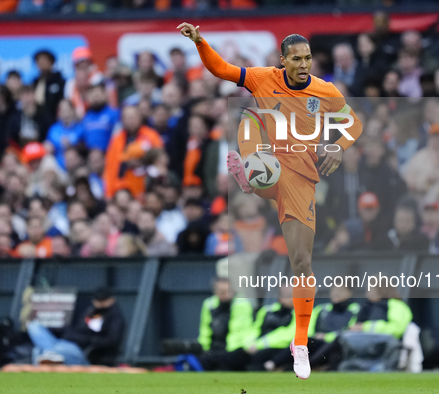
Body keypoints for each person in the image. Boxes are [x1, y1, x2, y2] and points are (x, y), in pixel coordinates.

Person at [178, 22, 363, 380]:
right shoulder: (263, 78)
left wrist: (338, 146)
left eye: (308, 58)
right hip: (268, 158)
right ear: (283, 60)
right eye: (297, 59)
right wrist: (201, 42)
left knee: (301, 263)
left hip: (299, 179)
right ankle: (251, 175)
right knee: (250, 116)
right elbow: (222, 69)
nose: (305, 64)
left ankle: (300, 343)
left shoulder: (324, 91)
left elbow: (352, 123)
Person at [27, 288, 125, 366]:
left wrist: (86, 340)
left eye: (102, 300)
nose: (98, 302)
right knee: (34, 326)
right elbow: (75, 329)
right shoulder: (90, 311)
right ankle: (50, 353)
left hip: (81, 350)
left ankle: (50, 353)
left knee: (44, 350)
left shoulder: (115, 317)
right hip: (64, 343)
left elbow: (111, 341)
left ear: (111, 300)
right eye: (97, 299)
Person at [197, 277, 254, 371]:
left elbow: (242, 330)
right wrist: (204, 348)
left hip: (236, 348)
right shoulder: (209, 304)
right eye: (222, 292)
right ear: (215, 292)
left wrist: (247, 345)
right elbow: (205, 330)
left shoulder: (241, 304)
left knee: (224, 360)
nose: (226, 295)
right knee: (204, 359)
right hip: (215, 348)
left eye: (228, 291)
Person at [244, 285, 296, 371]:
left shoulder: (301, 314)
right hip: (257, 347)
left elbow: (289, 335)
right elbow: (254, 330)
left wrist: (259, 344)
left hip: (282, 349)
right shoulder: (266, 311)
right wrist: (249, 344)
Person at [32, 49, 65, 121]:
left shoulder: (60, 81)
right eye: (39, 62)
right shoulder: (34, 82)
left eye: (45, 61)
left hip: (55, 119)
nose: (42, 64)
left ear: (52, 62)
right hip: (38, 121)